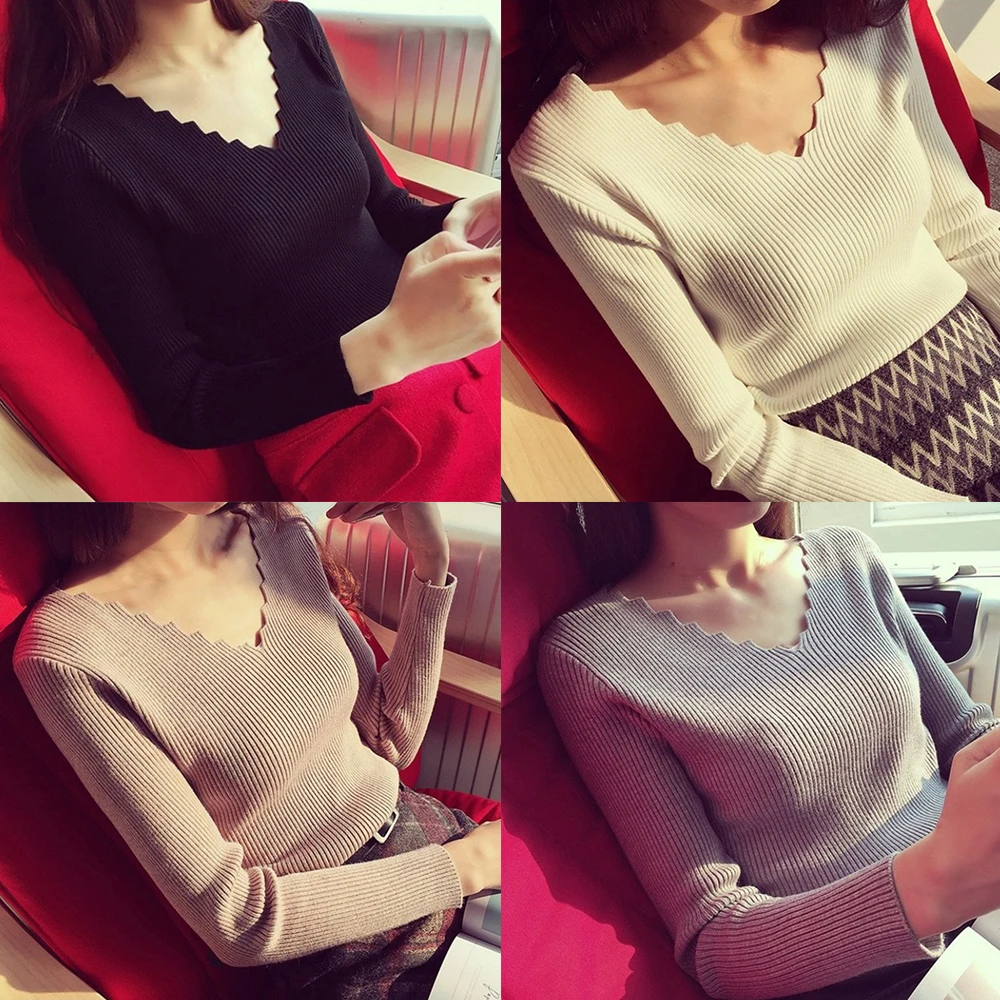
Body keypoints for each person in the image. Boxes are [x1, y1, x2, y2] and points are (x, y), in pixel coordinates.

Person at [0, 0, 501, 500]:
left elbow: (388, 211)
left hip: (468, 346)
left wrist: (466, 220)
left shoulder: (292, 27)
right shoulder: (73, 147)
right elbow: (185, 403)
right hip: (365, 431)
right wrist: (393, 344)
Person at [509, 0, 1000, 501]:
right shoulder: (572, 153)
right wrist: (956, 520)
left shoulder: (869, 24)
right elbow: (738, 445)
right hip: (875, 476)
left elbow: (969, 234)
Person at [14, 501, 501, 1000]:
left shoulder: (274, 527)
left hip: (434, 833)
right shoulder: (68, 651)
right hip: (343, 941)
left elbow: (389, 737)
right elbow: (238, 924)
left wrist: (431, 563)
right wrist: (465, 868)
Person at [538, 501, 1000, 1000]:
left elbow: (968, 733)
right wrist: (933, 886)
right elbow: (715, 945)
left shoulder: (848, 556)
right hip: (876, 977)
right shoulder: (589, 655)